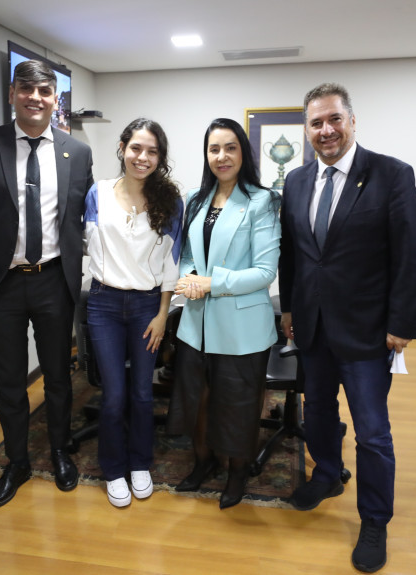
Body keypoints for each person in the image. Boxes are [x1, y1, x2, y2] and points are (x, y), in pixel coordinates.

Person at [279, 82, 416, 572]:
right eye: (316, 122)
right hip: (313, 328)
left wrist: (401, 323)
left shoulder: (390, 175)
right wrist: (289, 312)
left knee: (372, 433)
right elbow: (293, 256)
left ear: (352, 121)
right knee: (317, 411)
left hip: (367, 331)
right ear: (307, 129)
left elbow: (410, 255)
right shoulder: (297, 182)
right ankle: (326, 474)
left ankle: (374, 520)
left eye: (334, 119)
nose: (326, 130)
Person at [0, 59, 94, 508]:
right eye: (26, 89)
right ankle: (16, 462)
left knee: (58, 378)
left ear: (56, 100)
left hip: (55, 281)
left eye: (45, 91)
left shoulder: (78, 152)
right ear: (12, 93)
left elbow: (82, 220)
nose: (35, 97)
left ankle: (58, 451)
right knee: (9, 381)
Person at [168, 118, 281, 510]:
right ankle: (204, 462)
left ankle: (236, 471)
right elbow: (184, 257)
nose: (222, 156)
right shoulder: (196, 199)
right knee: (198, 401)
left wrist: (212, 282)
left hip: (242, 327)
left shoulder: (261, 201)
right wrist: (188, 279)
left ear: (243, 153)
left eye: (230, 147)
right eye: (214, 149)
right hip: (196, 323)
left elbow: (265, 272)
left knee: (237, 405)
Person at [82, 118, 183, 508]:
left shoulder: (170, 200)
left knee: (142, 393)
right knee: (113, 395)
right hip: (104, 303)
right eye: (137, 148)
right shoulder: (98, 193)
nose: (143, 157)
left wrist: (162, 314)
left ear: (160, 157)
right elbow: (89, 244)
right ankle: (113, 469)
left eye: (152, 151)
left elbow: (171, 263)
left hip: (146, 306)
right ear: (123, 147)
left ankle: (140, 464)